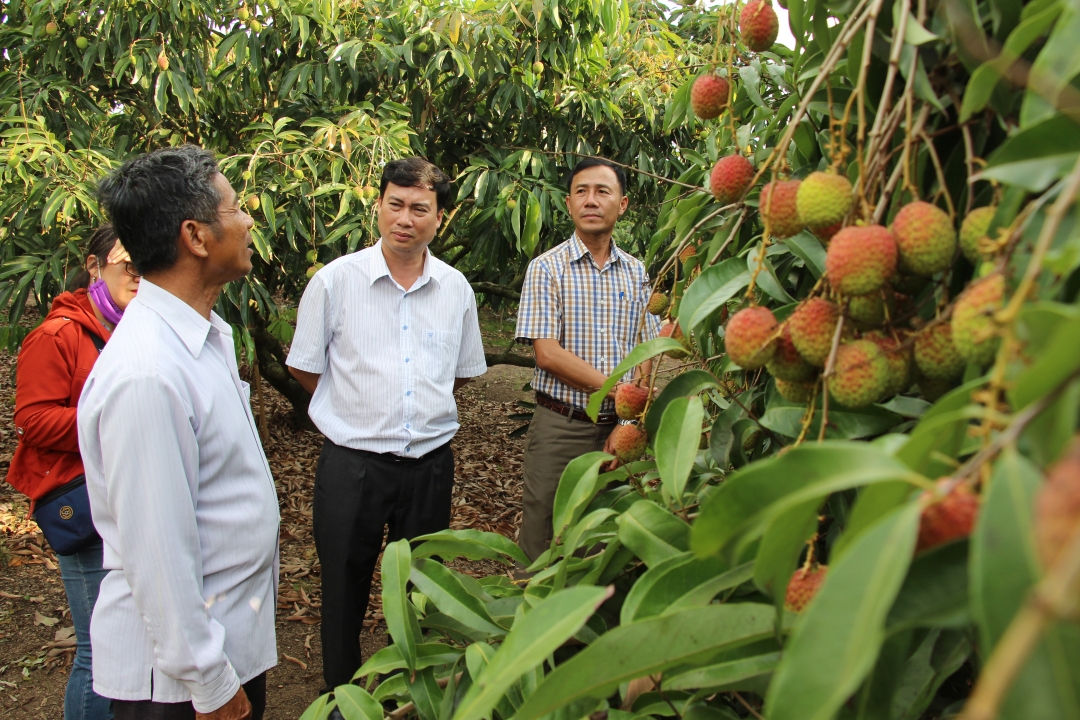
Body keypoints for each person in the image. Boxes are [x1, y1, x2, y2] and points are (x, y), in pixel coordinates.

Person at [79, 145, 279, 720]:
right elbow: (157, 553)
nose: (246, 222)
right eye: (236, 209)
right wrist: (212, 685)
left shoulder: (203, 337)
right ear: (196, 236)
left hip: (224, 649)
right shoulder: (147, 373)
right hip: (178, 687)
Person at [286, 156, 487, 692]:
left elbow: (460, 374)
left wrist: (416, 411)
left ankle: (411, 688)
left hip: (428, 467)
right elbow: (304, 366)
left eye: (420, 208)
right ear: (377, 206)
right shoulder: (335, 282)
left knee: (420, 587)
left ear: (439, 217)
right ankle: (342, 696)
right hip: (352, 466)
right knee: (343, 586)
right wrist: (357, 408)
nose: (405, 218)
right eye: (394, 204)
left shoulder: (455, 289)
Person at [7, 225, 139, 720]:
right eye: (127, 264)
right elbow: (33, 418)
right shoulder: (58, 333)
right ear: (94, 266)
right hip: (85, 503)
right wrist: (113, 419)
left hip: (129, 498)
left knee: (129, 643)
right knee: (98, 649)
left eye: (146, 264)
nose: (138, 275)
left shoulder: (134, 327)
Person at [514, 157, 661, 563]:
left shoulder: (637, 273)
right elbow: (548, 354)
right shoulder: (546, 268)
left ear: (623, 203)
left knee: (607, 541)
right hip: (562, 426)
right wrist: (619, 392)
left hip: (621, 428)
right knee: (543, 534)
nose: (591, 200)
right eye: (582, 192)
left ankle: (594, 624)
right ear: (568, 203)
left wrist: (629, 420)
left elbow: (647, 353)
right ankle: (534, 622)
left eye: (602, 191)